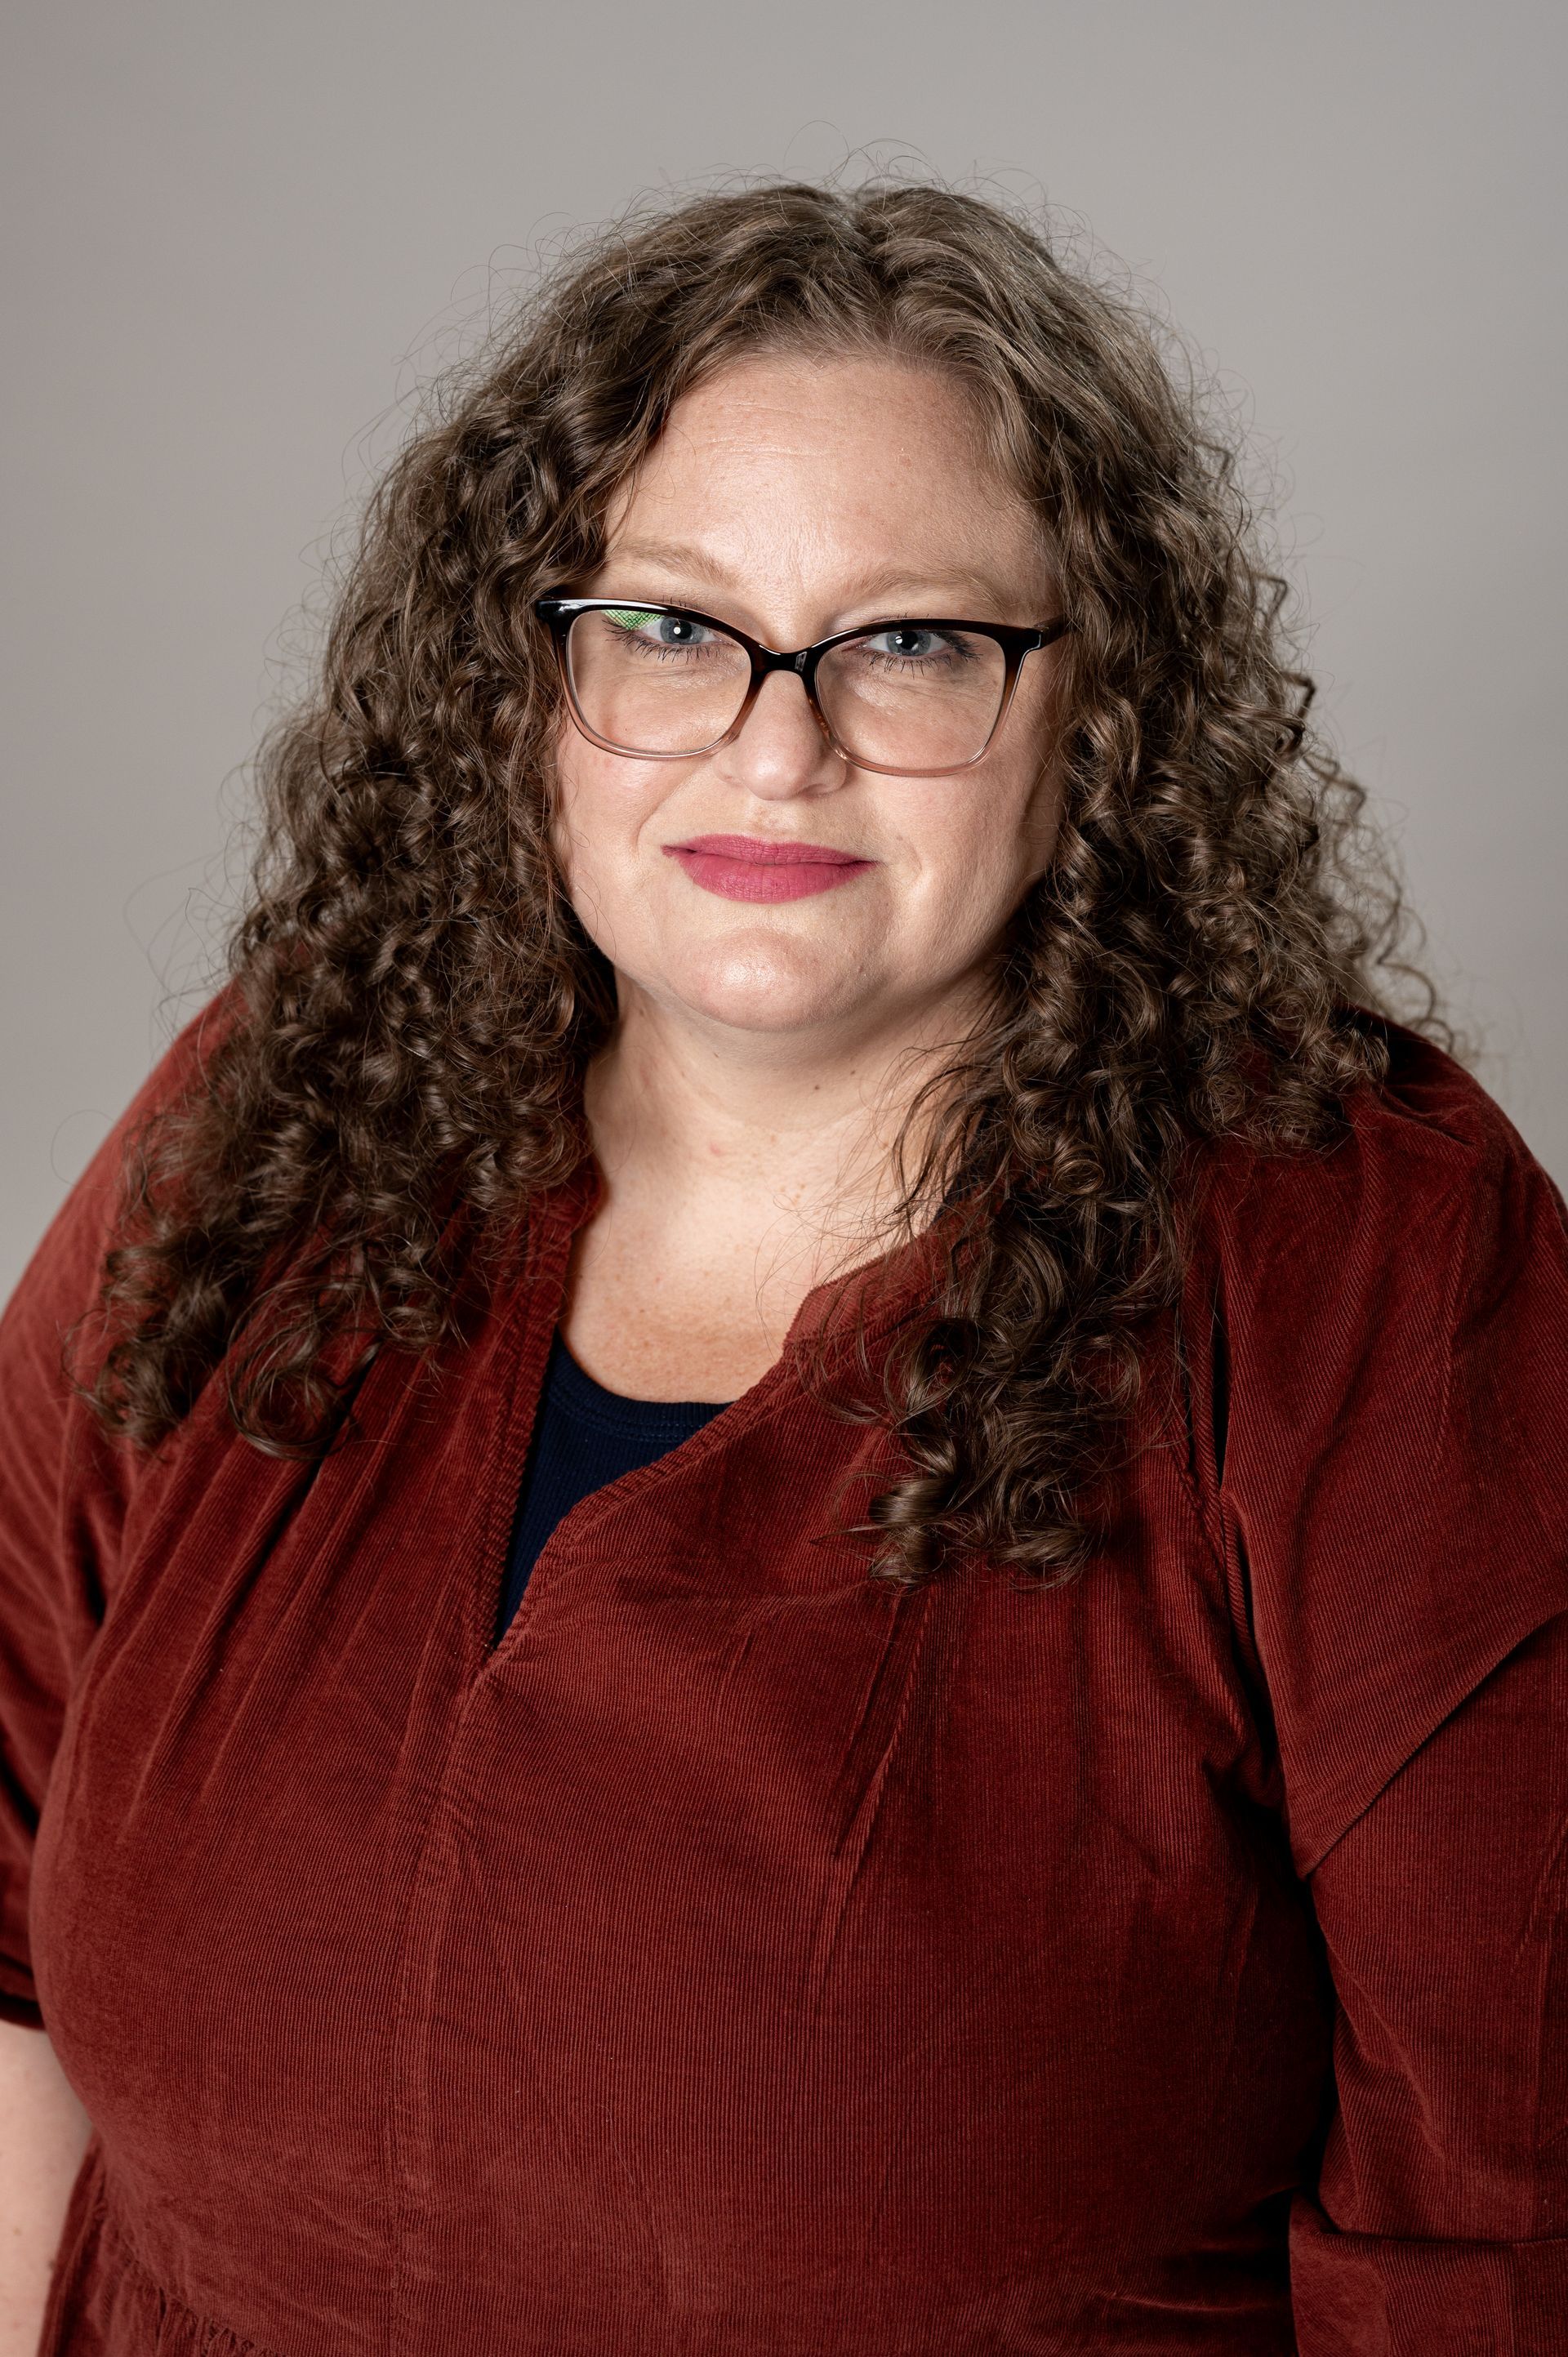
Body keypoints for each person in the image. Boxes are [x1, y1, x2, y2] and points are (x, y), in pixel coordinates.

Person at [2, 178, 1565, 2357]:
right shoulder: (284, 1120)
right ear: (527, 680)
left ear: (1096, 719)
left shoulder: (1363, 1248)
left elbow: (1508, 2205)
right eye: (670, 626)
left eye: (910, 643)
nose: (775, 743)